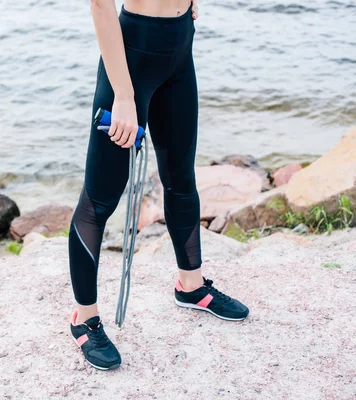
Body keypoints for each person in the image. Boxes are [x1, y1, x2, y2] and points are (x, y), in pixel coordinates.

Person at [68, 0, 249, 371]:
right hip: (130, 56)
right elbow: (100, 4)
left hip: (180, 48)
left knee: (181, 178)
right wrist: (123, 95)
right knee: (100, 199)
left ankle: (191, 286)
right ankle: (84, 319)